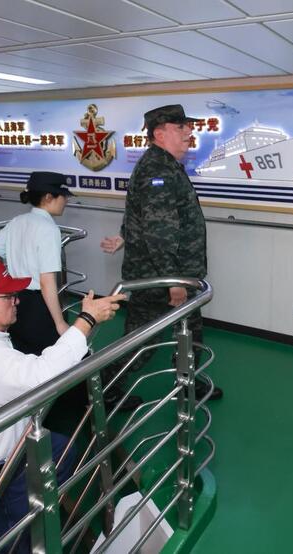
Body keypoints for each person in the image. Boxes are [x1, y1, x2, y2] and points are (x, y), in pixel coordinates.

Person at [0, 257, 124, 552]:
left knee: (61, 450)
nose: (16, 300)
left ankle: (41, 504)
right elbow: (42, 376)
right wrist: (87, 320)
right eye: (8, 296)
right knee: (17, 545)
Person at [101, 104, 223, 409]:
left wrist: (124, 236)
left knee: (190, 330)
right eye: (180, 127)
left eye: (188, 126)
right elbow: (159, 231)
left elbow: (142, 216)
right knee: (142, 341)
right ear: (159, 133)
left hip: (179, 274)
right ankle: (104, 389)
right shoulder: (158, 170)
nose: (189, 132)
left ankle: (188, 382)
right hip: (159, 277)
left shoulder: (165, 165)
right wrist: (173, 280)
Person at [0, 171, 74, 356]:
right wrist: (59, 323)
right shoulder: (49, 229)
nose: (66, 200)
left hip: (14, 301)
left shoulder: (16, 222)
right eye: (63, 195)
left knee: (22, 355)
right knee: (53, 359)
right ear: (49, 197)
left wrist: (3, 287)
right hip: (38, 306)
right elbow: (46, 282)